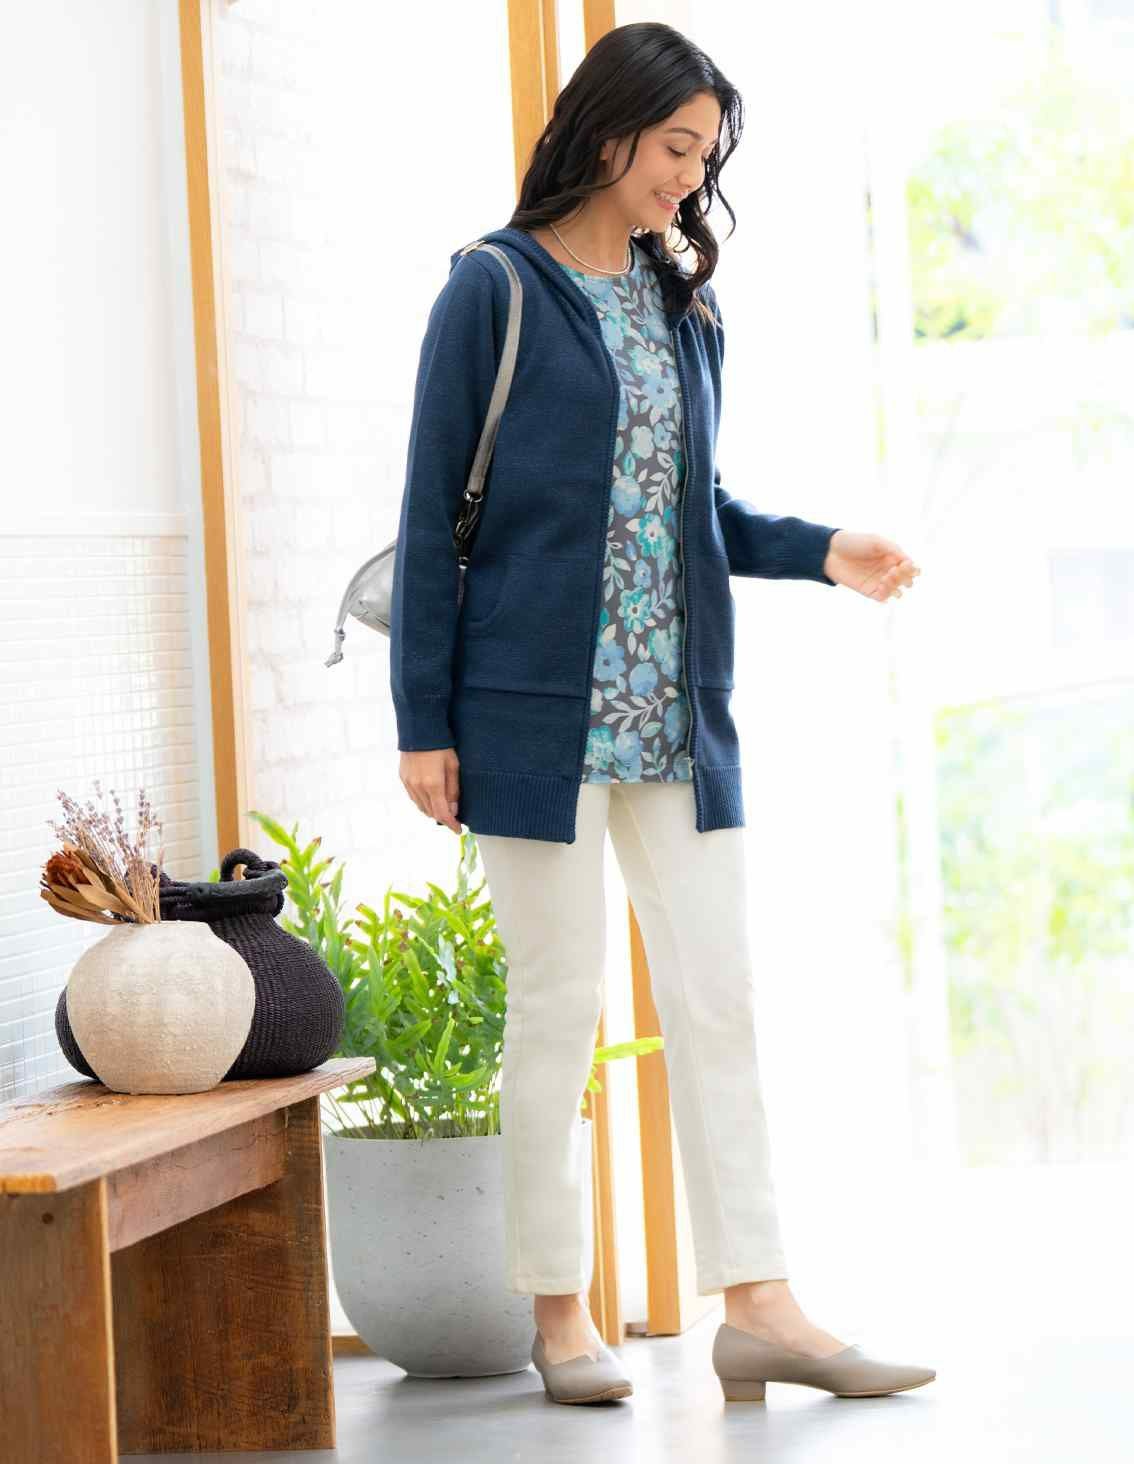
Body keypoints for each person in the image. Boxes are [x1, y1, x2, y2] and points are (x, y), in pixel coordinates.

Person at [390, 21, 932, 1406]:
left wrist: (822, 549)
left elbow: (693, 509)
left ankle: (762, 1308)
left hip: (675, 718)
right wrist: (421, 722)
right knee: (556, 1010)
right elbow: (431, 514)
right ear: (608, 130)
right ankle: (558, 1312)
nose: (691, 179)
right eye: (677, 148)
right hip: (528, 719)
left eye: (705, 158)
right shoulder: (493, 289)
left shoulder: (680, 306)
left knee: (719, 999)